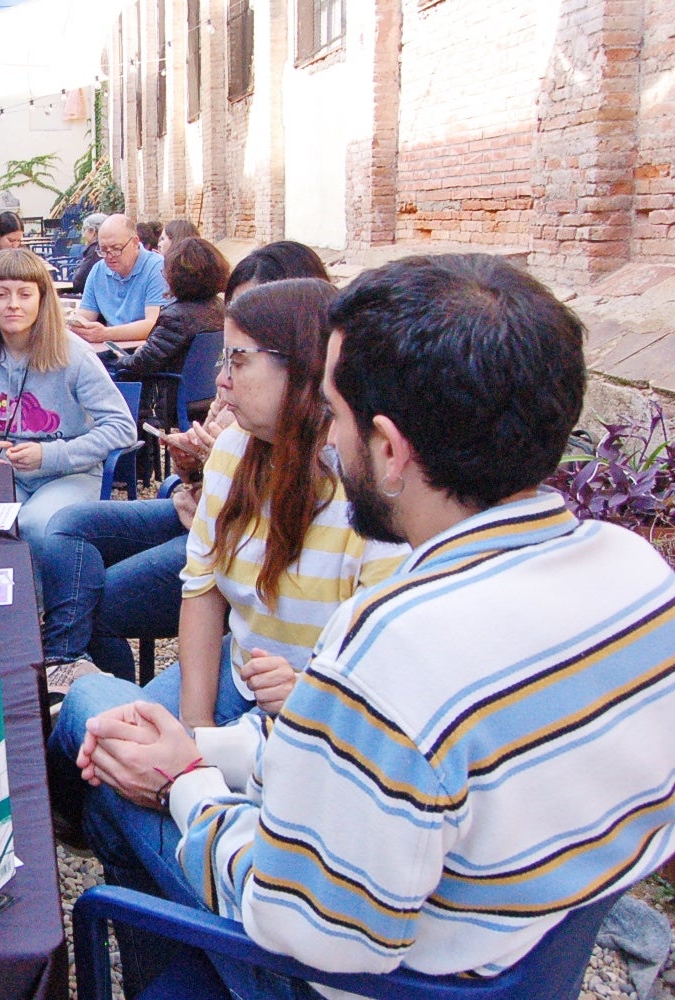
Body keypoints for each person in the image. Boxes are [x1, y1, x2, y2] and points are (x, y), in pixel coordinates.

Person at [57, 254, 675, 998]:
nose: (326, 441)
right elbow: (372, 764)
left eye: (333, 414)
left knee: (115, 795)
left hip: (376, 980)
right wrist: (201, 746)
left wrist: (183, 785)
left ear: (388, 449)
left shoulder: (390, 642)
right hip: (520, 957)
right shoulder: (638, 574)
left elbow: (301, 926)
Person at [38, 242, 328, 688]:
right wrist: (193, 466)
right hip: (195, 507)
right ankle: (66, 661)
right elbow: (211, 472)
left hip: (230, 532)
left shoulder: (323, 426)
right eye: (242, 307)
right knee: (68, 524)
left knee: (96, 598)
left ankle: (103, 694)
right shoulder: (236, 385)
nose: (224, 375)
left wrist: (217, 471)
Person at [0, 249, 136, 564]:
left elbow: (122, 429)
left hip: (69, 474)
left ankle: (42, 609)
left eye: (25, 294)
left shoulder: (75, 354)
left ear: (42, 300)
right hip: (1, 475)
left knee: (35, 525)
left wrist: (49, 455)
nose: (13, 304)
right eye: (2, 294)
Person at [107, 237, 228, 381]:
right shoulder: (221, 308)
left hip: (166, 395)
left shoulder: (176, 317)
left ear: (175, 276)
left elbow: (142, 363)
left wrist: (122, 360)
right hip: (206, 390)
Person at [69, 213, 167, 345]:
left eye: (116, 249)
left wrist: (105, 334)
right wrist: (83, 326)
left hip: (143, 351)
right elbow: (85, 315)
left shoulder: (157, 267)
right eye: (103, 250)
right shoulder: (98, 270)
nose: (109, 256)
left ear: (135, 242)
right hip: (108, 349)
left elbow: (153, 324)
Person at [70, 211, 108, 295]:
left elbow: (79, 283)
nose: (83, 235)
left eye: (84, 230)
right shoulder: (108, 248)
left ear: (93, 232)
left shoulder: (95, 251)